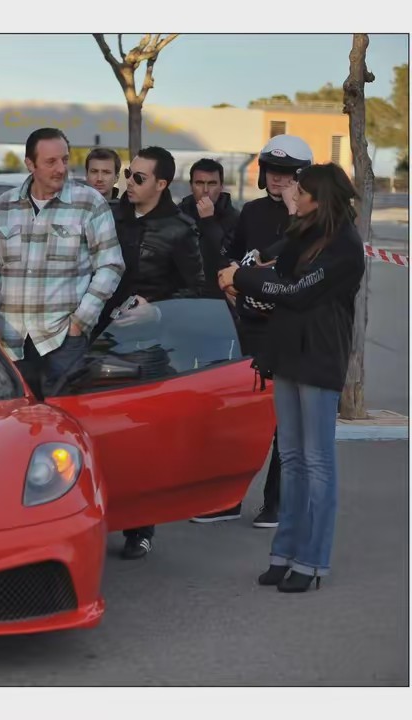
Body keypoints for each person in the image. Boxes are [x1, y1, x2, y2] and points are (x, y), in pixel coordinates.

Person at [218, 163, 365, 592]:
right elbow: (275, 270)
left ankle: (312, 560)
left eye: (300, 191)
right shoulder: (302, 233)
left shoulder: (345, 246)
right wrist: (244, 272)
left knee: (317, 462)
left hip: (319, 359)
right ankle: (284, 554)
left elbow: (296, 292)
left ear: (320, 198)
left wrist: (241, 278)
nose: (292, 194)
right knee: (293, 459)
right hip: (286, 354)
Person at [190, 134, 314, 528]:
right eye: (272, 170)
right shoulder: (253, 212)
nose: (278, 178)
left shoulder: (313, 219)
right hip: (249, 327)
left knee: (284, 423)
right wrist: (228, 276)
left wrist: (293, 215)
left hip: (291, 330)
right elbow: (229, 253)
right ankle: (227, 499)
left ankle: (276, 502)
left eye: (287, 172)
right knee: (240, 418)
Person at [97, 146, 205, 560]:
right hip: (100, 341)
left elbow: (197, 291)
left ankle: (140, 528)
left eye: (138, 177)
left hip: (148, 350)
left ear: (161, 184)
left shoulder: (179, 229)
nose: (129, 182)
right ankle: (97, 516)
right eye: (129, 173)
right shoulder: (110, 216)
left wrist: (156, 311)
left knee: (139, 441)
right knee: (97, 436)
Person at [0, 127, 124, 399]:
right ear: (30, 164)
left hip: (64, 342)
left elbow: (111, 265)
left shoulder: (89, 203)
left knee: (63, 418)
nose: (61, 168)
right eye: (51, 162)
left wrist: (80, 322)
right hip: (14, 343)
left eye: (65, 160)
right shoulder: (5, 206)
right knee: (16, 417)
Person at [179, 158, 240, 296]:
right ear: (191, 186)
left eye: (212, 184)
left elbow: (226, 259)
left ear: (221, 186)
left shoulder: (235, 218)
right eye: (199, 183)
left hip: (219, 296)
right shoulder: (178, 215)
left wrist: (209, 221)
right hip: (183, 295)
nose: (205, 190)